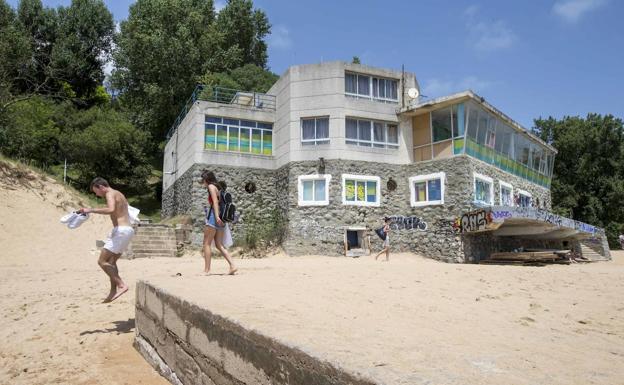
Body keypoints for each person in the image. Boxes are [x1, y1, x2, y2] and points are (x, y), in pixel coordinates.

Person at [79, 177, 134, 303]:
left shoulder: (110, 193)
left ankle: (121, 285)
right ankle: (113, 291)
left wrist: (90, 210)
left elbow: (110, 209)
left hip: (121, 230)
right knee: (111, 262)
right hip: (125, 230)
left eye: (96, 191)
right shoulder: (118, 193)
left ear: (101, 187)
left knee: (102, 261)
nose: (96, 194)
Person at [201, 170, 237, 275]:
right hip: (222, 217)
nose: (202, 182)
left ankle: (207, 270)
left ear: (206, 179)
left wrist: (216, 216)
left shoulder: (211, 187)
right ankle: (232, 265)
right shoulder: (218, 188)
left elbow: (215, 202)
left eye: (203, 179)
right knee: (219, 244)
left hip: (214, 216)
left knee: (206, 244)